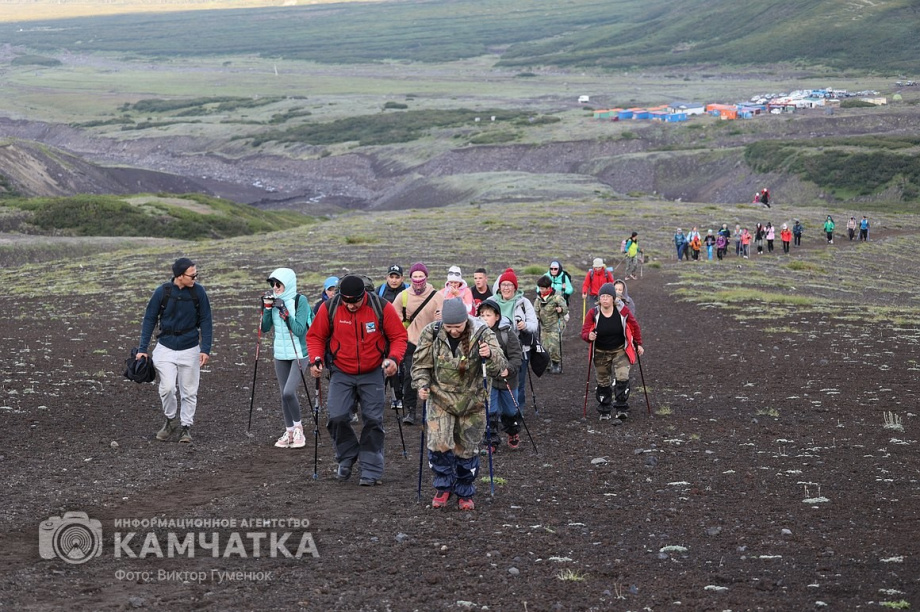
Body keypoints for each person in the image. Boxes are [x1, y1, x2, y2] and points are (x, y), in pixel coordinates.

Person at [307, 275, 408, 486]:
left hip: (373, 371)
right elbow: (315, 336)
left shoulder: (381, 307)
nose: (351, 306)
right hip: (341, 371)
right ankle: (348, 454)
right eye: (347, 302)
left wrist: (394, 359)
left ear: (364, 295)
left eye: (355, 301)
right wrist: (315, 359)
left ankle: (370, 469)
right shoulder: (330, 307)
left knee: (373, 419)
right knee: (336, 416)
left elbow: (398, 336)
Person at [413, 298, 508, 511]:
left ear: (466, 320)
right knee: (439, 444)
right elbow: (420, 365)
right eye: (449, 327)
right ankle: (443, 486)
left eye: (458, 326)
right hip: (440, 399)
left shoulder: (483, 334)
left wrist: (490, 354)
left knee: (467, 449)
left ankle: (465, 491)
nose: (454, 331)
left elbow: (501, 367)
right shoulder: (432, 332)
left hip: (472, 403)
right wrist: (422, 384)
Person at [138, 257, 212, 444]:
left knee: (189, 391)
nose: (195, 278)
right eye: (192, 275)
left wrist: (206, 349)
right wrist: (142, 349)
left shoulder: (199, 292)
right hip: (165, 347)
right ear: (180, 276)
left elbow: (206, 320)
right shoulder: (162, 292)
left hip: (190, 348)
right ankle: (170, 420)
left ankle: (186, 427)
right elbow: (149, 319)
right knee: (168, 388)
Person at [262, 268, 313, 449]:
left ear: (288, 284)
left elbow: (299, 330)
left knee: (288, 392)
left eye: (278, 284)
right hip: (280, 354)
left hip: (299, 353)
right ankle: (289, 431)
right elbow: (265, 328)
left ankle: (299, 429)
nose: (275, 288)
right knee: (283, 395)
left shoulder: (300, 301)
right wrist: (268, 309)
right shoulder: (274, 301)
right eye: (272, 285)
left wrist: (284, 311)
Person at [580, 283, 643, 421]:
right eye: (602, 296)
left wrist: (638, 344)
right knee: (603, 381)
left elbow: (634, 326)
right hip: (600, 351)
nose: (605, 299)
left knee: (622, 377)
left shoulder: (623, 311)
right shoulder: (593, 313)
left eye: (608, 296)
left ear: (613, 298)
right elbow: (584, 332)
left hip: (620, 349)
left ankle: (621, 408)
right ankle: (605, 409)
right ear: (599, 298)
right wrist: (588, 336)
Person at [394, 262, 444, 425]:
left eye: (420, 277)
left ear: (426, 277)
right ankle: (410, 410)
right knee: (410, 376)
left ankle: (433, 409)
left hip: (431, 342)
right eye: (414, 277)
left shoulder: (437, 296)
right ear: (410, 278)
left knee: (433, 376)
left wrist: (440, 319)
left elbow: (445, 320)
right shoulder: (403, 296)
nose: (418, 280)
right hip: (410, 341)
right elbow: (393, 317)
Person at [477, 298, 522, 452]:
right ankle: (491, 441)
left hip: (507, 379)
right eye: (482, 315)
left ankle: (513, 432)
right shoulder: (476, 335)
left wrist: (508, 369)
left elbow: (517, 357)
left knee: (510, 411)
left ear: (497, 316)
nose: (484, 318)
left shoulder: (506, 334)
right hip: (488, 380)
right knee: (490, 410)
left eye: (488, 315)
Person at [493, 268, 538, 408]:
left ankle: (516, 412)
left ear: (515, 287)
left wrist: (524, 326)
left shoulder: (524, 303)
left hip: (519, 350)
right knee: (494, 382)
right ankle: (498, 413)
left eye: (509, 285)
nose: (506, 288)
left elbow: (534, 324)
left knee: (517, 383)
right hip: (494, 350)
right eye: (503, 285)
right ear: (499, 287)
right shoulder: (491, 301)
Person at [534, 275, 568, 374]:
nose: (541, 290)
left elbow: (565, 309)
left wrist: (560, 309)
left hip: (555, 326)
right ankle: (547, 364)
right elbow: (536, 311)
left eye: (542, 288)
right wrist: (536, 319)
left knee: (554, 346)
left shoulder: (557, 298)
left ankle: (556, 364)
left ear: (549, 288)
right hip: (544, 327)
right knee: (544, 347)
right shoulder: (538, 299)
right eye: (540, 288)